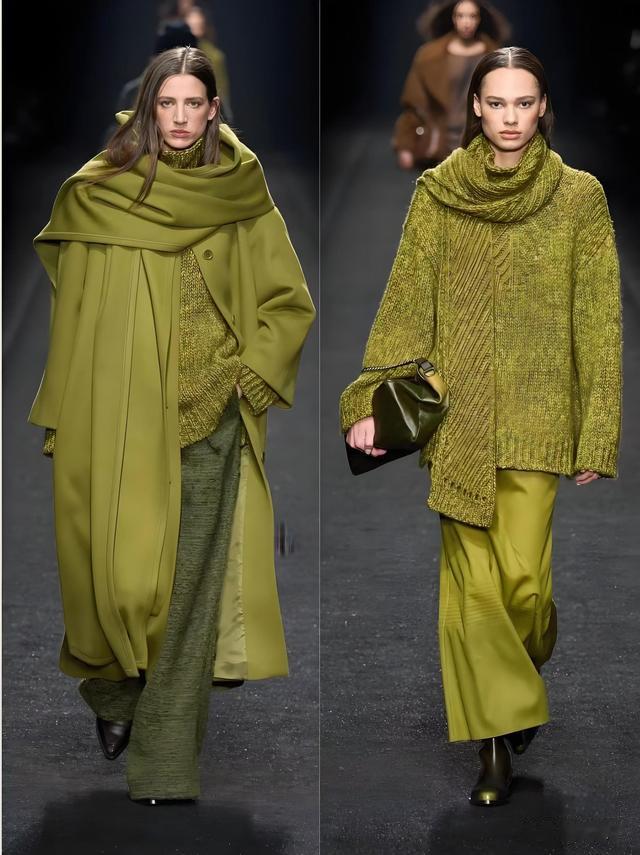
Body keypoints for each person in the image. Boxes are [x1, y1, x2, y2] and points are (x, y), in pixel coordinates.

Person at [29, 45, 315, 805]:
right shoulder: (100, 192)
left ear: (214, 109)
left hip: (210, 417)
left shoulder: (240, 191)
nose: (182, 118)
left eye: (195, 104)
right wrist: (63, 408)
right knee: (119, 584)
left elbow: (287, 301)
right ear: (147, 107)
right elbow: (71, 312)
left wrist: (244, 380)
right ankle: (113, 687)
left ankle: (164, 761)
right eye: (169, 103)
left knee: (186, 595)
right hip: (116, 413)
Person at [341, 46, 621, 806]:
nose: (509, 118)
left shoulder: (579, 198)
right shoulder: (438, 194)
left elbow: (599, 324)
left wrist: (597, 430)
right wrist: (367, 399)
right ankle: (494, 745)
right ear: (474, 107)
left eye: (523, 103)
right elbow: (406, 303)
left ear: (542, 107)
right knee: (475, 592)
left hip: (539, 418)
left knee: (524, 587)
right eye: (496, 103)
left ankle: (525, 667)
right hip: (458, 419)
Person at [393, 0, 510, 169]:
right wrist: (406, 145)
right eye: (460, 16)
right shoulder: (429, 56)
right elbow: (414, 105)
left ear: (480, 19)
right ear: (453, 18)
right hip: (440, 142)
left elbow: (510, 102)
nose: (466, 22)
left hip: (481, 142)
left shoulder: (496, 57)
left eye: (472, 16)